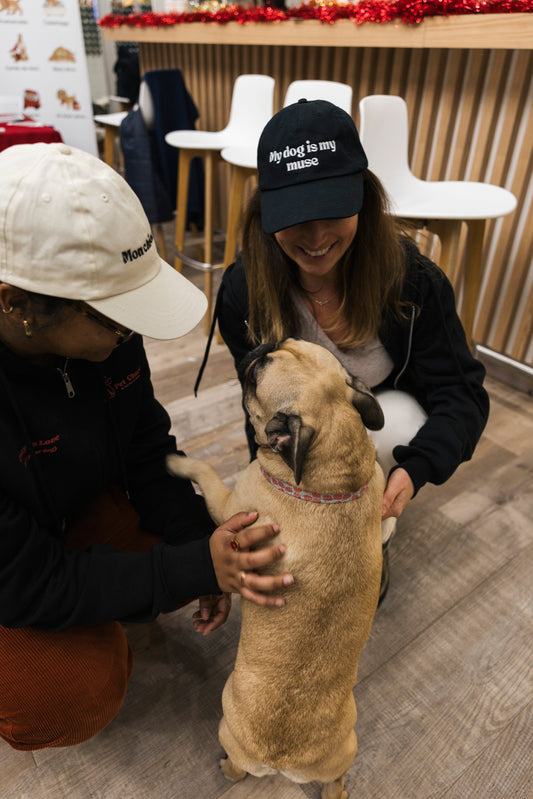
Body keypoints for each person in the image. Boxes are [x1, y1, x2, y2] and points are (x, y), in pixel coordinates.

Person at [0, 142, 292, 751]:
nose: (131, 333)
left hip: (59, 504)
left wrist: (198, 544)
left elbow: (146, 444)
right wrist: (189, 567)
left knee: (181, 543)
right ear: (17, 304)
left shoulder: (106, 336)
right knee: (67, 695)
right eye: (116, 317)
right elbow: (24, 582)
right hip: (12, 565)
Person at [209, 99, 489, 603]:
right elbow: (260, 407)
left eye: (333, 210)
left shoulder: (414, 280)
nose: (316, 238)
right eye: (296, 217)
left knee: (398, 424)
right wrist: (273, 488)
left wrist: (417, 467)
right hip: (300, 423)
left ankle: (375, 538)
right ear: (265, 211)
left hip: (383, 413)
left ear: (363, 195)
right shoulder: (242, 291)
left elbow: (461, 393)